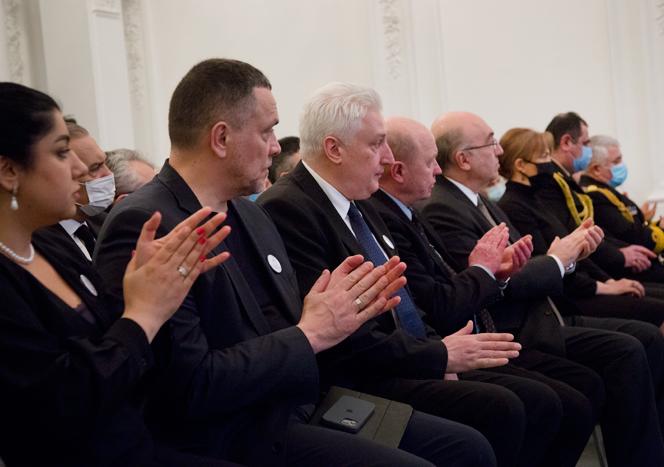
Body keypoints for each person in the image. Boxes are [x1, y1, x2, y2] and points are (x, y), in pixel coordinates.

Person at [95, 58, 492, 467]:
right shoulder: (149, 223)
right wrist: (311, 332)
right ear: (221, 138)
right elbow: (190, 386)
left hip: (302, 403)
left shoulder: (250, 214)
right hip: (233, 430)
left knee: (467, 447)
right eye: (267, 131)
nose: (275, 146)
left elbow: (296, 329)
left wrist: (338, 315)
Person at [258, 83, 565, 467]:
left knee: (536, 401)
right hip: (357, 377)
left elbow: (407, 304)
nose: (387, 158)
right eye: (377, 144)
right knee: (504, 411)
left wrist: (437, 350)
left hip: (403, 356)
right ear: (334, 149)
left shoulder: (357, 199)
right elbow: (345, 337)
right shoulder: (289, 208)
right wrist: (437, 356)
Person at [0, 82, 234, 466]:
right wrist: (144, 313)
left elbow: (125, 360)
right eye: (61, 153)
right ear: (8, 170)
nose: (78, 169)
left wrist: (153, 284)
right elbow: (66, 399)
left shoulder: (49, 244)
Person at [421, 110, 664, 467]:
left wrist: (568, 257)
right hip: (515, 327)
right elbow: (495, 282)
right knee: (616, 359)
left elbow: (524, 260)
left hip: (540, 315)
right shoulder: (443, 208)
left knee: (634, 346)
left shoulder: (477, 200)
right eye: (491, 143)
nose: (499, 151)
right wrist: (558, 260)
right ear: (464, 159)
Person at [366, 116, 608, 466]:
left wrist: (498, 271)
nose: (438, 170)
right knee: (546, 403)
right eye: (431, 162)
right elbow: (438, 304)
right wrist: (485, 270)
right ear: (399, 171)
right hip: (463, 336)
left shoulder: (410, 211)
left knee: (573, 395)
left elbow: (447, 289)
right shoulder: (409, 212)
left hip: (484, 328)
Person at [496, 127, 664, 329]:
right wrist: (602, 288)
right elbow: (547, 265)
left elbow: (577, 255)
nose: (550, 163)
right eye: (544, 156)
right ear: (521, 165)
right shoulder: (513, 206)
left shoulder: (535, 198)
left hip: (581, 285)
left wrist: (608, 282)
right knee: (656, 313)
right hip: (566, 298)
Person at [542, 112, 663, 282]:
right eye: (585, 143)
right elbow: (575, 237)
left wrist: (623, 252)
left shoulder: (565, 181)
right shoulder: (552, 184)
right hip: (585, 277)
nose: (588, 151)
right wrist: (611, 276)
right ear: (566, 142)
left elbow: (595, 232)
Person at [32, 123, 115, 262]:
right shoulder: (35, 242)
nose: (109, 174)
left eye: (104, 163)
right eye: (95, 168)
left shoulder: (107, 223)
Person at [580, 135, 664, 255]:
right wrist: (661, 231)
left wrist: (653, 224)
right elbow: (628, 234)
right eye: (616, 161)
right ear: (597, 169)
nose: (622, 165)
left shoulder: (606, 189)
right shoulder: (594, 195)